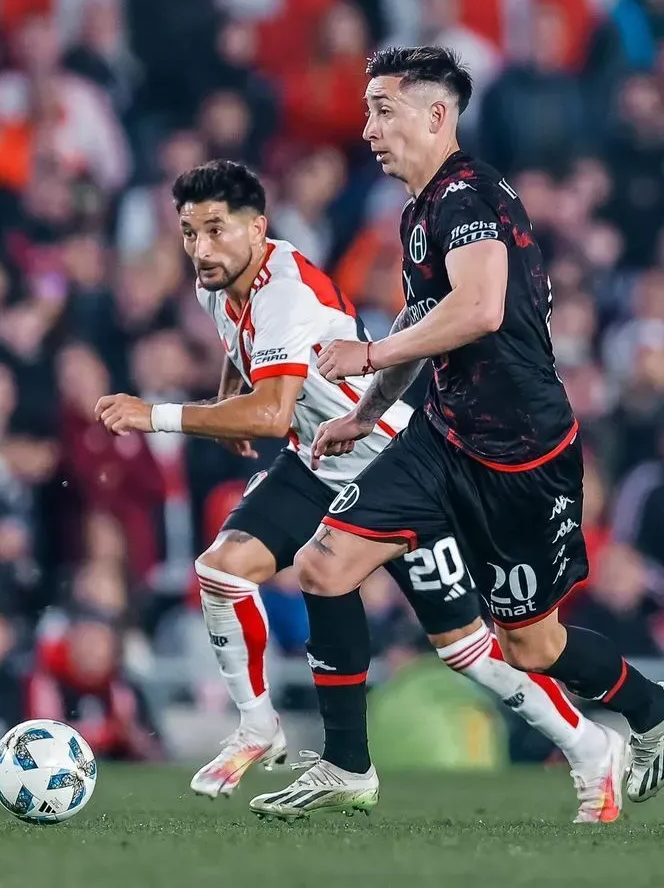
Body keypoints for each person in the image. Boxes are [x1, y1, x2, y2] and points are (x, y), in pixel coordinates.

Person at [97, 160, 618, 818]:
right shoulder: (219, 281)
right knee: (224, 571)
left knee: (469, 652)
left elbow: (272, 413)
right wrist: (229, 400)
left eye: (215, 231)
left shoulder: (284, 290)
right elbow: (242, 351)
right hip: (318, 459)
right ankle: (261, 729)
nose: (200, 248)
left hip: (390, 463)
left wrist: (156, 414)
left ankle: (588, 745)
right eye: (188, 233)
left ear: (257, 229)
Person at [242, 47, 664, 822]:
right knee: (326, 565)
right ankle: (346, 768)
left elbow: (479, 309)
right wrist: (370, 411)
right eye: (367, 108)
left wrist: (366, 355)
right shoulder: (419, 210)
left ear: (437, 116)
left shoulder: (468, 197)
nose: (367, 128)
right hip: (442, 440)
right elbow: (423, 324)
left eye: (383, 109)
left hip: (521, 459)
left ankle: (649, 710)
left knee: (533, 648)